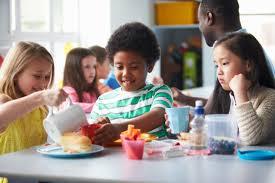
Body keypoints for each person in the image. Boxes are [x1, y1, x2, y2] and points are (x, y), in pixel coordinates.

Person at [173, 0, 275, 107]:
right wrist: (184, 99)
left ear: (209, 17)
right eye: (217, 65)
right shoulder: (247, 47)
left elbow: (214, 110)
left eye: (199, 21)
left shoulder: (233, 53)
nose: (200, 27)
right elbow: (220, 105)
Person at [90, 22, 173, 145]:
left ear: (150, 66)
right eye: (119, 67)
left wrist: (120, 129)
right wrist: (99, 130)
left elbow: (158, 115)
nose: (125, 74)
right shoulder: (103, 102)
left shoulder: (160, 92)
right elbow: (92, 135)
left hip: (152, 161)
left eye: (134, 67)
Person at [207, 32, 275, 145]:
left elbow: (251, 139)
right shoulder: (228, 96)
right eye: (216, 65)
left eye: (224, 63)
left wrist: (240, 92)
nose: (218, 72)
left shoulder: (271, 97)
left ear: (248, 65)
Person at [0, 41, 67, 155]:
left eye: (47, 77)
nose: (43, 84)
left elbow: (35, 147)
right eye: (37, 76)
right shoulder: (4, 99)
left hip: (32, 171)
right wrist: (41, 97)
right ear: (15, 74)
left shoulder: (41, 108)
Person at [63, 48, 99, 113]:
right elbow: (70, 106)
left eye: (94, 66)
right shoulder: (68, 91)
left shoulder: (93, 91)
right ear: (74, 69)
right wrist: (100, 106)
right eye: (87, 67)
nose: (92, 71)